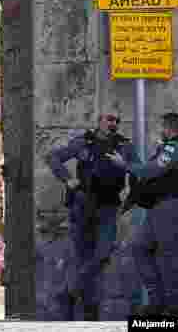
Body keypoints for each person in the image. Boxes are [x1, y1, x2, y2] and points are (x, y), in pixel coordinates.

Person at [107, 112, 178, 315]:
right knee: (140, 247)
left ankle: (174, 304)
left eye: (162, 127)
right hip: (160, 206)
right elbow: (150, 179)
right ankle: (157, 300)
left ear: (169, 128)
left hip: (171, 205)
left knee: (168, 254)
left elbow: (150, 171)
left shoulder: (175, 146)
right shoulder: (169, 147)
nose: (160, 131)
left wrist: (123, 165)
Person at [46, 111, 136, 320]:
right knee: (83, 258)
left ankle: (68, 292)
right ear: (99, 122)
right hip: (83, 205)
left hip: (109, 206)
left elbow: (138, 170)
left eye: (116, 120)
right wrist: (67, 179)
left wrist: (126, 168)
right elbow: (53, 157)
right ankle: (90, 312)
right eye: (109, 119)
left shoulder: (124, 146)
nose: (113, 123)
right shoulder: (83, 143)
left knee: (103, 254)